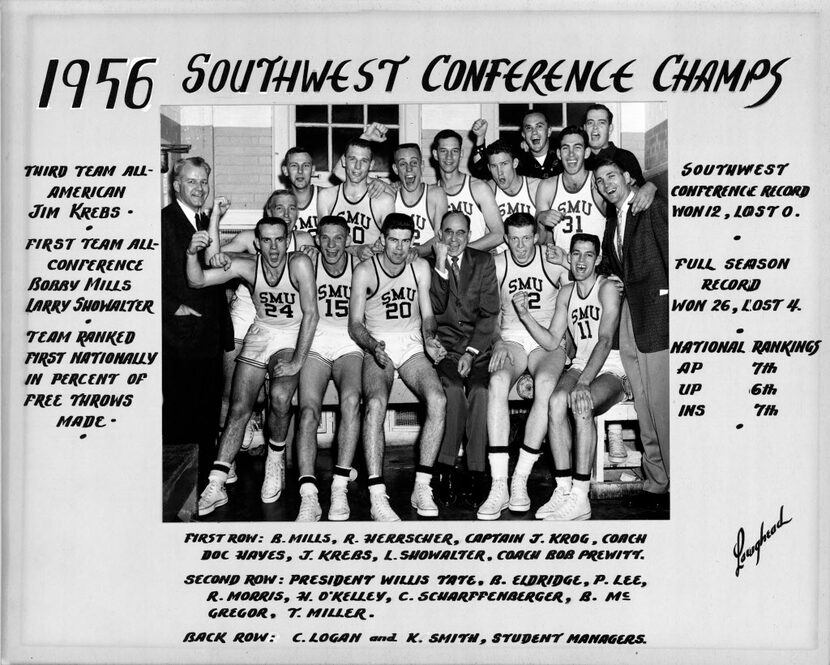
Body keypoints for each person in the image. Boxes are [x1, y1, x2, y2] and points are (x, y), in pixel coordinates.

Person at [188, 217, 319, 517]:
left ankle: (275, 461)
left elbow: (311, 314)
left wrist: (298, 359)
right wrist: (190, 254)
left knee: (281, 398)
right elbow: (197, 280)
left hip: (291, 333)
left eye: (279, 239)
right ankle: (216, 482)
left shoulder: (299, 263)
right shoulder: (248, 265)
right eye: (267, 240)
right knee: (238, 407)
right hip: (262, 332)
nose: (273, 247)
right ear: (257, 242)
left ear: (288, 240)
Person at [514, 233, 627, 520]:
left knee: (581, 403)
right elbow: (552, 341)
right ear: (570, 256)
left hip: (611, 368)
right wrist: (525, 315)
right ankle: (563, 489)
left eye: (589, 255)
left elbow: (604, 340)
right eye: (576, 253)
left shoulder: (607, 289)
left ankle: (581, 496)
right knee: (554, 402)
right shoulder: (566, 293)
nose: (581, 260)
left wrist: (584, 382)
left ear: (598, 259)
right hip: (580, 366)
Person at [348, 213, 447, 521]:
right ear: (383, 239)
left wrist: (430, 339)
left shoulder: (419, 267)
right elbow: (354, 325)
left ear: (412, 242)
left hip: (411, 344)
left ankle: (422, 485)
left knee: (439, 399)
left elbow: (428, 315)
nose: (399, 248)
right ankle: (378, 494)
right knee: (375, 404)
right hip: (378, 346)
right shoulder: (365, 270)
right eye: (393, 240)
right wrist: (372, 347)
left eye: (406, 242)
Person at [206, 190, 314, 459]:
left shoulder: (303, 240)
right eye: (279, 208)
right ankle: (226, 457)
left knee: (276, 395)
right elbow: (212, 260)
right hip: (246, 314)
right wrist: (215, 221)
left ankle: (276, 456)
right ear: (268, 210)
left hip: (280, 320)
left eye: (292, 208)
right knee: (231, 390)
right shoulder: (249, 238)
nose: (286, 213)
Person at [478, 212, 569, 520]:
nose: (520, 245)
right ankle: (499, 483)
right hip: (513, 338)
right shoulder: (498, 263)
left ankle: (521, 479)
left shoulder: (552, 259)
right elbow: (488, 314)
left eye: (527, 238)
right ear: (506, 238)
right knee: (498, 383)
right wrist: (497, 341)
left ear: (536, 236)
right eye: (514, 238)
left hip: (546, 339)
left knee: (545, 386)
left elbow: (579, 288)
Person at [594, 158, 669, 509]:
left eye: (611, 176)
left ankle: (678, 480)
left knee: (661, 404)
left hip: (657, 316)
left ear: (627, 177)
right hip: (631, 318)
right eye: (600, 179)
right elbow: (615, 263)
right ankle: (657, 478)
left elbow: (673, 259)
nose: (606, 183)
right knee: (642, 401)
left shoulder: (650, 205)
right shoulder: (615, 217)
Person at [161, 157, 232, 489]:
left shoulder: (202, 218)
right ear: (177, 186)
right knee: (180, 413)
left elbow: (206, 269)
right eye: (192, 182)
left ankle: (204, 481)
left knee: (206, 409)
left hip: (208, 333)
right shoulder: (164, 222)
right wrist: (176, 310)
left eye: (203, 182)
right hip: (180, 336)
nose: (199, 188)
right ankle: (180, 489)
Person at [294, 216, 364, 522]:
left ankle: (339, 487)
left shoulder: (360, 266)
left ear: (348, 239)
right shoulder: (308, 265)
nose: (332, 245)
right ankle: (309, 495)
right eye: (326, 238)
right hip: (317, 343)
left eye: (338, 238)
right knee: (308, 411)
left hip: (349, 343)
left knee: (351, 401)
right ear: (316, 239)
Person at [429, 211, 500, 507]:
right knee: (454, 392)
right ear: (440, 235)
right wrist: (440, 267)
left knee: (482, 392)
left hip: (478, 348)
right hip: (444, 349)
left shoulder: (483, 262)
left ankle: (476, 471)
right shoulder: (430, 266)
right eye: (449, 232)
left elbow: (489, 312)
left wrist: (471, 353)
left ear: (469, 235)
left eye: (461, 233)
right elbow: (433, 308)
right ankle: (444, 469)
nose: (455, 239)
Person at [317, 137, 395, 260]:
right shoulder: (326, 196)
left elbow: (391, 244)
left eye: (364, 161)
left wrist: (379, 247)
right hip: (337, 268)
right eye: (352, 159)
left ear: (371, 165)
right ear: (343, 161)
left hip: (370, 268)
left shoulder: (384, 200)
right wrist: (355, 249)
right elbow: (323, 242)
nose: (357, 166)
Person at [535, 126, 607, 251]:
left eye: (577, 147)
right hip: (561, 265)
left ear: (587, 152)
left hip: (595, 265)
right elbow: (541, 240)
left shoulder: (598, 181)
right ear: (558, 153)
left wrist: (649, 187)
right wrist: (540, 221)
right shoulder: (547, 186)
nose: (571, 154)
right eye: (565, 148)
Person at [432, 129, 504, 252]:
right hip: (444, 264)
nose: (449, 157)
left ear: (461, 154)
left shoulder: (478, 188)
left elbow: (499, 234)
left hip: (474, 262)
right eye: (443, 151)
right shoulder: (432, 193)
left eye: (454, 151)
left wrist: (462, 250)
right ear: (435, 154)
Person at [583, 104, 656, 214]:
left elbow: (642, 193)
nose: (595, 127)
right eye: (590, 122)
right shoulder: (579, 161)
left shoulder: (626, 157)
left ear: (610, 128)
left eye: (601, 122)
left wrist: (650, 187)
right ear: (584, 128)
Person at [392, 143, 448, 256]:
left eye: (414, 163)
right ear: (395, 169)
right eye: (403, 164)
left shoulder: (436, 194)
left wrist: (416, 251)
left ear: (421, 165)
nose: (409, 168)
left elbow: (441, 237)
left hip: (426, 262)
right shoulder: (390, 195)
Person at [469, 112, 561, 181]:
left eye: (539, 126)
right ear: (524, 135)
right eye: (529, 128)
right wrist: (480, 137)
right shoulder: (517, 154)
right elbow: (480, 170)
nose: (534, 132)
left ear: (548, 131)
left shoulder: (563, 151)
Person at [485, 140, 541, 222]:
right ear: (489, 168)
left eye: (504, 164)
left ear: (515, 163)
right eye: (494, 166)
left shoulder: (536, 187)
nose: (499, 172)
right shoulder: (486, 191)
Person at [282, 146, 322, 235]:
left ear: (313, 170)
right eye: (294, 166)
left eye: (306, 165)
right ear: (285, 170)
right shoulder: (279, 201)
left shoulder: (326, 196)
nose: (300, 171)